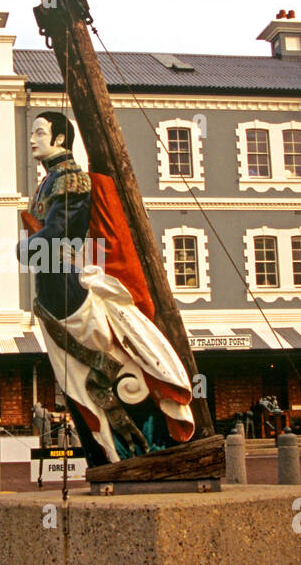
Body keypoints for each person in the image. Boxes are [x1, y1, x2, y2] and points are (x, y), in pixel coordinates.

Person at [16, 111, 194, 466]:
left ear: (61, 139)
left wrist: (22, 248)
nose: (33, 139)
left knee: (92, 358)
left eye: (40, 132)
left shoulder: (69, 178)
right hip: (54, 276)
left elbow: (58, 232)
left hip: (61, 275)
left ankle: (145, 443)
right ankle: (115, 450)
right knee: (76, 372)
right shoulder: (49, 181)